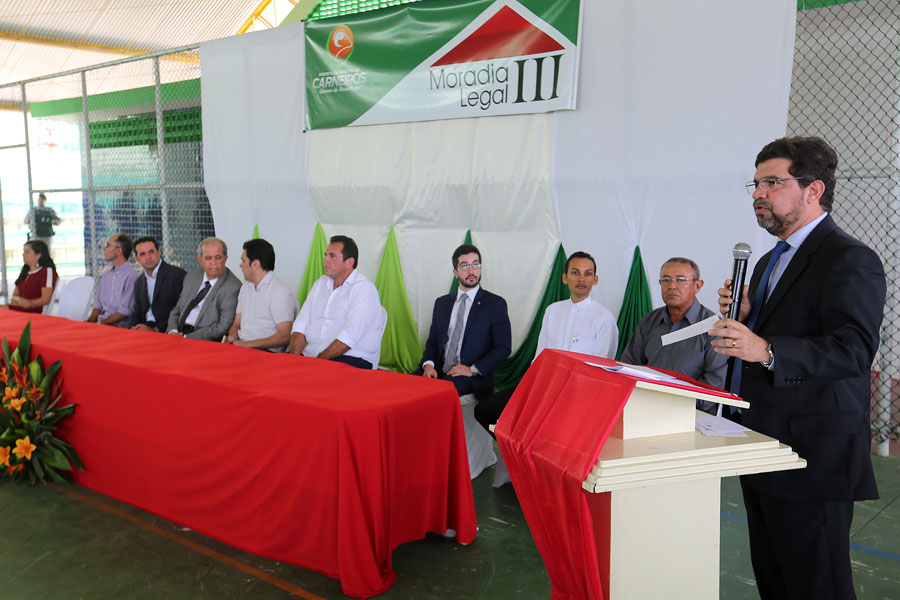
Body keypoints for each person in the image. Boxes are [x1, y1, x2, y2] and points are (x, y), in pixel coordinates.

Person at [711, 136, 885, 600]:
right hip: (763, 445)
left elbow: (852, 350)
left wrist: (766, 348)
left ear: (813, 190)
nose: (758, 194)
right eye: (755, 184)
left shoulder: (849, 258)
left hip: (812, 457)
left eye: (772, 182)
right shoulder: (770, 261)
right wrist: (750, 318)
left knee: (817, 585)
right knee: (775, 581)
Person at [474, 251, 617, 432]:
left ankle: (528, 444)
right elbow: (540, 357)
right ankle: (516, 446)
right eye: (575, 272)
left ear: (595, 280)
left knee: (541, 426)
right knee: (485, 410)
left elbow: (600, 371)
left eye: (587, 274)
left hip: (578, 394)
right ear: (565, 278)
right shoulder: (553, 311)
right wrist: (533, 387)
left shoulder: (604, 318)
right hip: (544, 385)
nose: (581, 278)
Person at [620, 257, 727, 413]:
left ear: (697, 285)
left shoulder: (714, 327)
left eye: (681, 280)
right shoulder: (649, 321)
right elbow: (628, 366)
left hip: (691, 415)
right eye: (665, 280)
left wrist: (674, 405)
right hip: (644, 408)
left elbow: (715, 383)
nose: (672, 286)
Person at [414, 244, 512, 398]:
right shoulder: (442, 303)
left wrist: (471, 369)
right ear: (455, 272)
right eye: (465, 266)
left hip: (471, 376)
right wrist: (428, 365)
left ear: (480, 268)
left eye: (475, 265)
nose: (471, 271)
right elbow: (433, 340)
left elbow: (503, 348)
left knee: (434, 394)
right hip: (438, 369)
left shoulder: (494, 304)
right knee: (404, 385)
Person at [289, 235, 383, 369]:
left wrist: (315, 365)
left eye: (332, 256)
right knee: (276, 371)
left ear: (349, 262)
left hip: (350, 359)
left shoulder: (364, 289)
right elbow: (300, 325)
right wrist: (294, 360)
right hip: (313, 357)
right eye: (325, 255)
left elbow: (348, 338)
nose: (324, 260)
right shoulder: (320, 284)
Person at [225, 238, 298, 352]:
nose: (240, 265)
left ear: (255, 264)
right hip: (242, 346)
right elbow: (236, 324)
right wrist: (232, 336)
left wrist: (247, 345)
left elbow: (285, 336)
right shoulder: (245, 288)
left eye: (243, 261)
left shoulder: (280, 292)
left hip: (265, 352)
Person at [167, 237, 241, 341]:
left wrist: (185, 338)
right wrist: (173, 331)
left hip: (202, 340)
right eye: (208, 258)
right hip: (177, 334)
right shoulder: (191, 276)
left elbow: (222, 327)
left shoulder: (232, 286)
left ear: (225, 258)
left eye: (218, 257)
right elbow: (177, 309)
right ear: (200, 260)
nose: (213, 262)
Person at [128, 236, 186, 332]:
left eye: (151, 252)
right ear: (137, 259)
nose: (148, 257)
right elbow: (136, 311)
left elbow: (181, 311)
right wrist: (131, 328)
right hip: (144, 329)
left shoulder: (177, 275)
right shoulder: (139, 282)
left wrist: (155, 329)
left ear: (159, 253)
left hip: (166, 330)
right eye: (142, 254)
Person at [87, 233, 138, 327]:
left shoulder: (131, 276)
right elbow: (98, 305)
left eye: (108, 245)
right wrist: (88, 322)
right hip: (103, 324)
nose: (104, 249)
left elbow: (125, 311)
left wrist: (101, 323)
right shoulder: (106, 275)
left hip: (120, 327)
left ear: (119, 251)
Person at [1, 240, 58, 313]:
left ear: (38, 255)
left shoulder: (46, 271)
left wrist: (30, 303)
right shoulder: (25, 272)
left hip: (33, 311)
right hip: (20, 308)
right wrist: (19, 301)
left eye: (27, 252)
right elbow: (14, 296)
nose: (23, 254)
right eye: (24, 252)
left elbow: (46, 299)